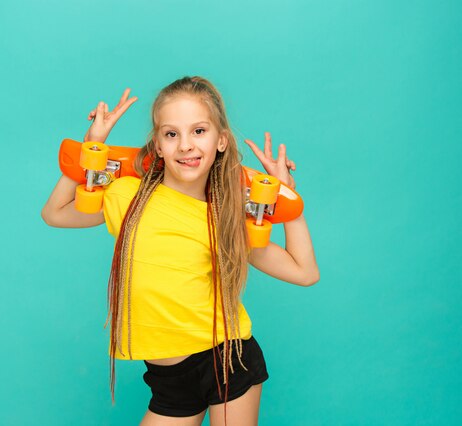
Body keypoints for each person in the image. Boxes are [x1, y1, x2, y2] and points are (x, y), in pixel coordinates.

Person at [42, 76, 319, 426]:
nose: (185, 145)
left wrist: (287, 201)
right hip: (170, 382)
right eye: (172, 134)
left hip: (226, 360)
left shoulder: (227, 216)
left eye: (199, 131)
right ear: (157, 145)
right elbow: (55, 213)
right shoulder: (128, 195)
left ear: (221, 141)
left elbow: (304, 272)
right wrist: (92, 147)